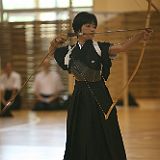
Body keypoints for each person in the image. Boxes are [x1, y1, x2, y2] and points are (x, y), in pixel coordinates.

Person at [49, 12, 152, 160]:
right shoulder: (69, 51)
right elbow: (52, 53)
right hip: (79, 96)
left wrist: (140, 35)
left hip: (100, 95)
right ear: (78, 29)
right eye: (88, 26)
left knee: (105, 129)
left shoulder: (99, 47)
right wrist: (54, 42)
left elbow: (122, 47)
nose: (92, 29)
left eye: (94, 26)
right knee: (80, 130)